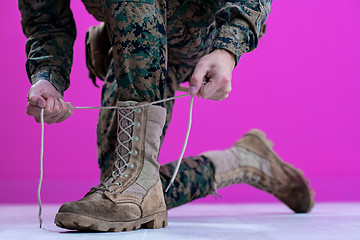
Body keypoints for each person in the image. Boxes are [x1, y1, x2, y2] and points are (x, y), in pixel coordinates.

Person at [19, 0, 314, 232]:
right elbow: (46, 21)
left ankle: (138, 179)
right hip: (135, 46)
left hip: (197, 34)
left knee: (134, 188)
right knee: (122, 187)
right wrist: (47, 78)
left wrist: (227, 49)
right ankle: (243, 160)